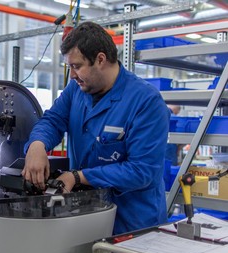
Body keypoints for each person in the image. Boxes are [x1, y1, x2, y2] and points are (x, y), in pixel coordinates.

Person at [21, 21, 170, 235]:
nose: (71, 75)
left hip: (132, 225)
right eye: (69, 67)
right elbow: (53, 120)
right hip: (86, 215)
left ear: (100, 59)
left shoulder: (146, 102)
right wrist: (37, 145)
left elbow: (142, 170)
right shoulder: (76, 89)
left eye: (77, 66)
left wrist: (78, 177)